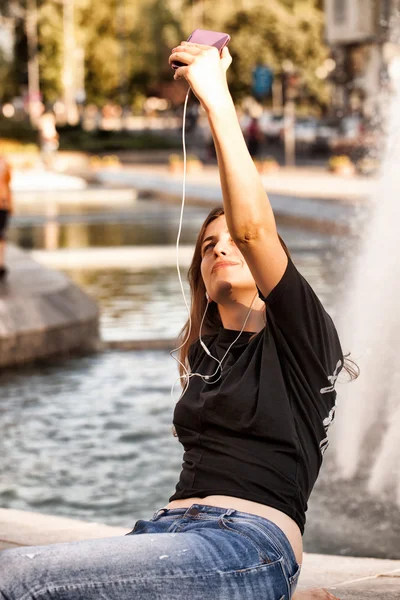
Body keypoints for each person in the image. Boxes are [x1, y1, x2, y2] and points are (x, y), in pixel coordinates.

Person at [0, 42, 356, 600]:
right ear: (202, 282)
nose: (221, 248)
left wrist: (216, 99)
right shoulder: (210, 353)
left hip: (245, 541)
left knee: (13, 581)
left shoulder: (304, 338)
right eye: (208, 245)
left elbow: (255, 227)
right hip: (169, 534)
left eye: (233, 241)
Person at [0, 154, 13, 280]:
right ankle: (1, 263)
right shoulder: (4, 163)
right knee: (1, 235)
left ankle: (1, 263)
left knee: (1, 235)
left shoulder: (4, 163)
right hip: (4, 203)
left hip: (3, 203)